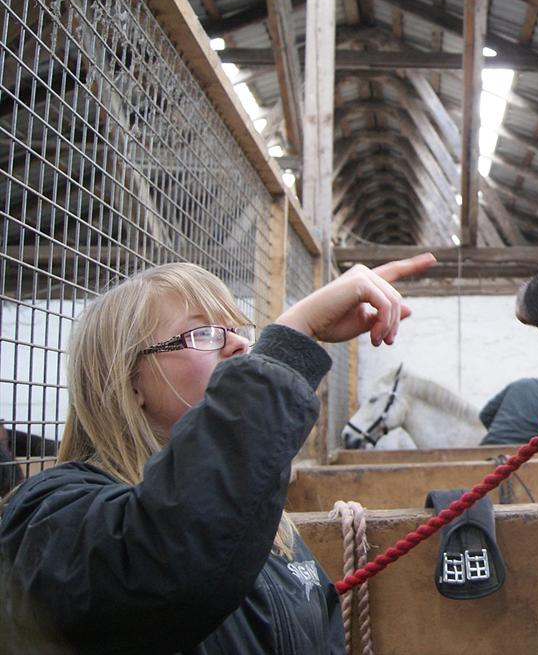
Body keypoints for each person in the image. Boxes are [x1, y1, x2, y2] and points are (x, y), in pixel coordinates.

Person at [0, 254, 435, 654]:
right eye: (203, 332)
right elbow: (167, 561)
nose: (240, 346)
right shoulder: (49, 515)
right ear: (127, 382)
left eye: (238, 331)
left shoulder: (270, 530)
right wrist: (290, 343)